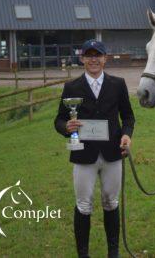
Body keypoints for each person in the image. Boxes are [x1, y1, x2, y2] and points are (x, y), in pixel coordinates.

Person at [54, 39, 135, 258]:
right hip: (83, 155)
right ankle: (83, 254)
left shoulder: (118, 84)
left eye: (97, 55)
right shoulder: (71, 87)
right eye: (88, 55)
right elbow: (59, 120)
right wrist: (66, 127)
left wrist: (127, 134)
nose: (93, 59)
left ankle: (113, 252)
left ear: (105, 58)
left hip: (112, 153)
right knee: (83, 204)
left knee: (111, 201)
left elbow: (127, 116)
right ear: (82, 59)